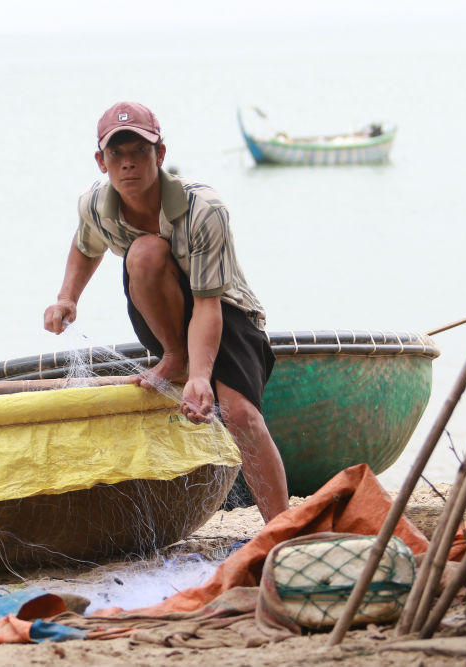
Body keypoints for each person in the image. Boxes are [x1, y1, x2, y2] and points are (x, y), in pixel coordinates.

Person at [43, 101, 289, 523]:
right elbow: (86, 245)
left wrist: (201, 376)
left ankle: (282, 528)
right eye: (117, 154)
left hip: (226, 309)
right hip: (163, 312)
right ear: (101, 161)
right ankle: (174, 356)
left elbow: (208, 303)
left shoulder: (204, 208)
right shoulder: (94, 204)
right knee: (143, 252)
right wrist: (67, 297)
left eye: (139, 151)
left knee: (240, 415)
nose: (128, 164)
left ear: (159, 154)